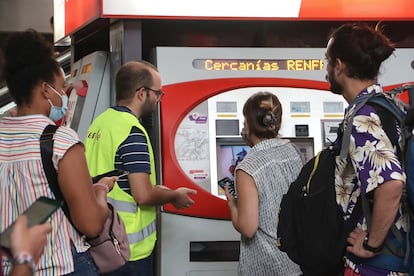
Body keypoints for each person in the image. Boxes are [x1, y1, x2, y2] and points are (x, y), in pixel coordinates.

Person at [0, 29, 117, 275]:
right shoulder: (60, 141)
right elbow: (91, 224)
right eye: (61, 87)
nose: (64, 95)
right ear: (45, 90)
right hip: (58, 266)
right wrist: (100, 191)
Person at [84, 60, 197, 276]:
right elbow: (143, 195)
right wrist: (174, 196)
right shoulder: (133, 131)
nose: (159, 99)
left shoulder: (101, 121)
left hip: (101, 239)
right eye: (158, 93)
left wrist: (157, 189)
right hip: (128, 249)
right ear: (142, 93)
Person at [326, 23, 408, 275]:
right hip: (399, 251)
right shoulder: (391, 106)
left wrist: (371, 244)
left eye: (327, 61)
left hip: (376, 265)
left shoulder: (362, 118)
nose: (325, 71)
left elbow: (391, 182)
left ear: (339, 65)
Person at [224, 91, 303, 276]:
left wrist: (232, 205)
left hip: (267, 265)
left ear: (248, 124)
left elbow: (248, 227)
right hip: (295, 260)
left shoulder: (247, 168)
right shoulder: (293, 151)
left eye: (245, 120)